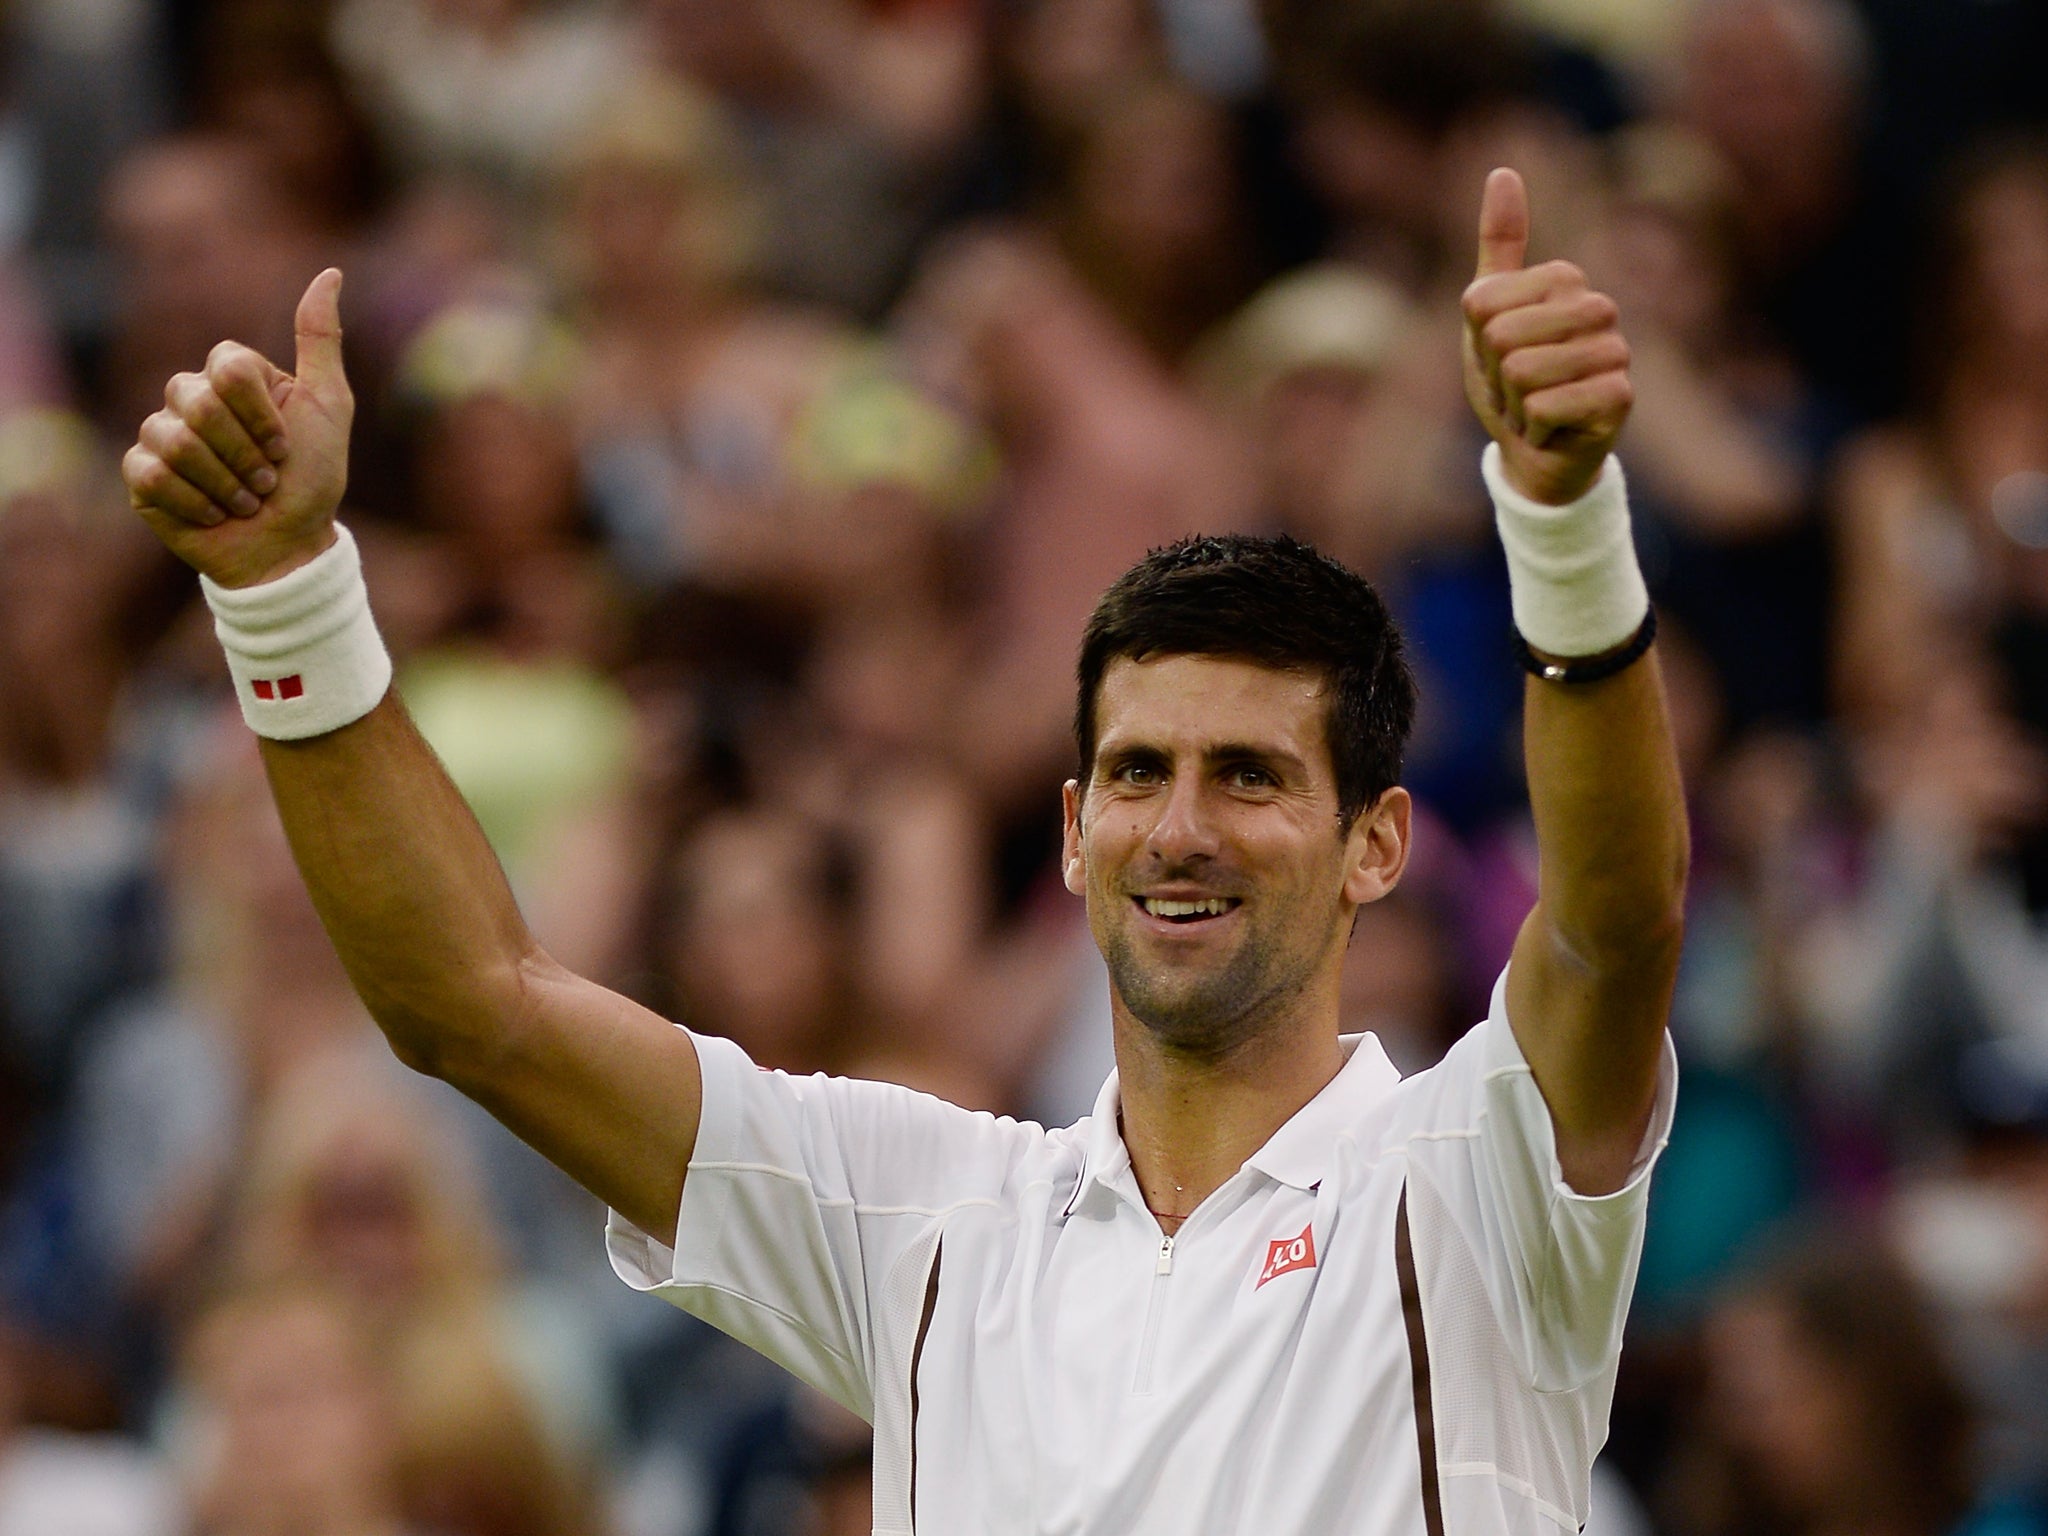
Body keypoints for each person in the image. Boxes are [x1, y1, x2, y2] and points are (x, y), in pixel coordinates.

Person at [120, 168, 1684, 1531]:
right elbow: (473, 1002)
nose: (1183, 827)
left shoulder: (1472, 1177)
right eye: (1136, 771)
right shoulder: (925, 1222)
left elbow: (1614, 919)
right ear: (1072, 834)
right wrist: (284, 597)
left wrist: (1559, 521)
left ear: (1377, 845)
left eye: (1253, 777)